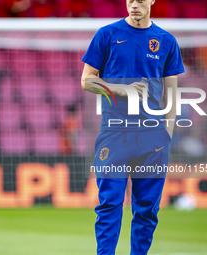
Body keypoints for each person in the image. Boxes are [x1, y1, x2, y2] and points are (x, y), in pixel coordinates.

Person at [81, 1, 185, 254]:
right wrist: (120, 90)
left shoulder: (166, 41)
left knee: (148, 209)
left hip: (152, 136)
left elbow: (171, 96)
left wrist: (166, 137)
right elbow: (86, 81)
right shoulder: (107, 34)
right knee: (109, 204)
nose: (134, 5)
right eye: (130, 0)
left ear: (152, 1)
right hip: (115, 133)